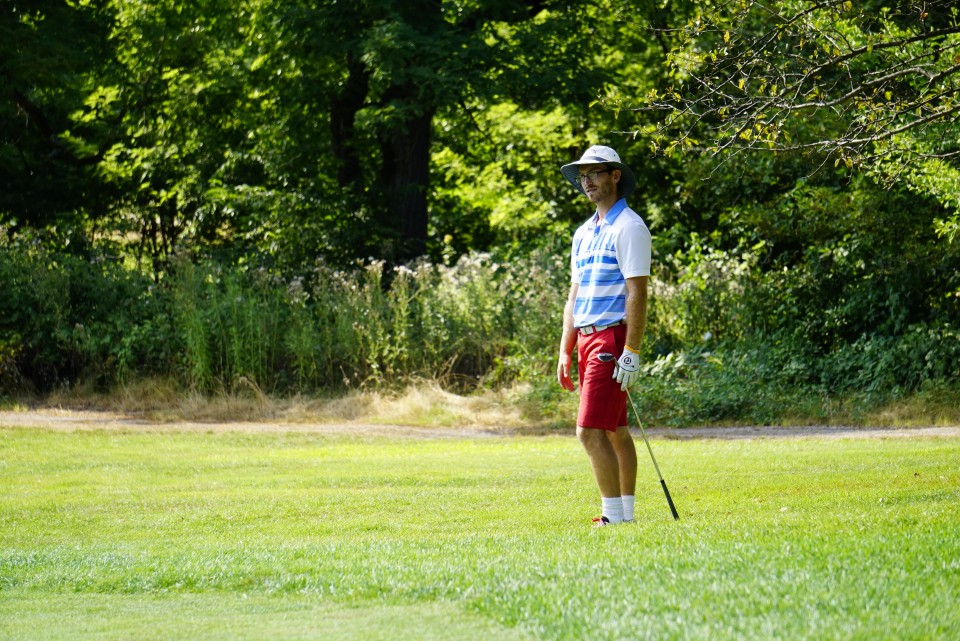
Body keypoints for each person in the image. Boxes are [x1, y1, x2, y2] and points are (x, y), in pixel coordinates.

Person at [556, 145, 652, 527]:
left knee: (589, 432)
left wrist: (632, 349)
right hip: (586, 339)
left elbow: (637, 292)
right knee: (615, 432)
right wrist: (565, 349)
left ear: (615, 176)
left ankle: (613, 518)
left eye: (595, 173)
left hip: (611, 340)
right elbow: (574, 296)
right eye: (583, 175)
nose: (588, 181)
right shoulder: (583, 233)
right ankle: (625, 516)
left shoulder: (629, 226)